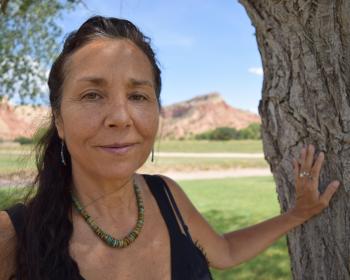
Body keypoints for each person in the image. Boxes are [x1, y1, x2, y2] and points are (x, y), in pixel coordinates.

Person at [0, 16, 340, 280]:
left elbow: (224, 251)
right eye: (92, 95)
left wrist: (297, 214)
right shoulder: (13, 236)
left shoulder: (167, 196)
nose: (121, 117)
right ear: (58, 120)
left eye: (138, 96)